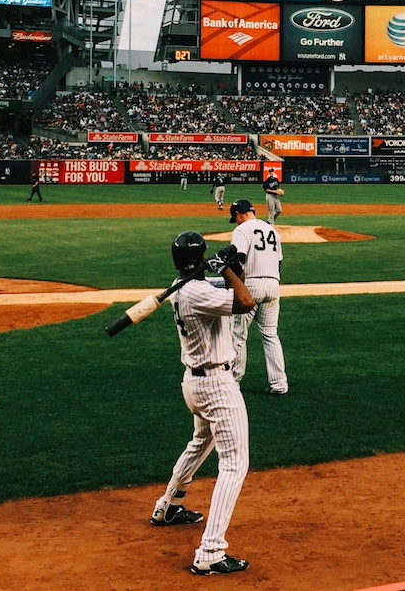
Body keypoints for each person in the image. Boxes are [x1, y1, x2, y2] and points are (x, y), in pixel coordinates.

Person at [151, 231, 255, 576]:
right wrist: (228, 270)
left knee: (201, 442)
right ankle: (211, 550)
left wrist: (230, 266)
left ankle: (169, 505)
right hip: (215, 386)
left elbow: (220, 284)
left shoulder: (181, 286)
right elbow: (245, 301)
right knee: (235, 464)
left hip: (193, 384)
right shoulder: (196, 293)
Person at [227, 199, 288, 396]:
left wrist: (237, 286)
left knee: (238, 335)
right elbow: (279, 263)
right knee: (271, 335)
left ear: (238, 214)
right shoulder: (272, 230)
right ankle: (279, 384)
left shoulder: (242, 230)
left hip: (251, 285)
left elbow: (238, 262)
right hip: (273, 285)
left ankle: (234, 383)